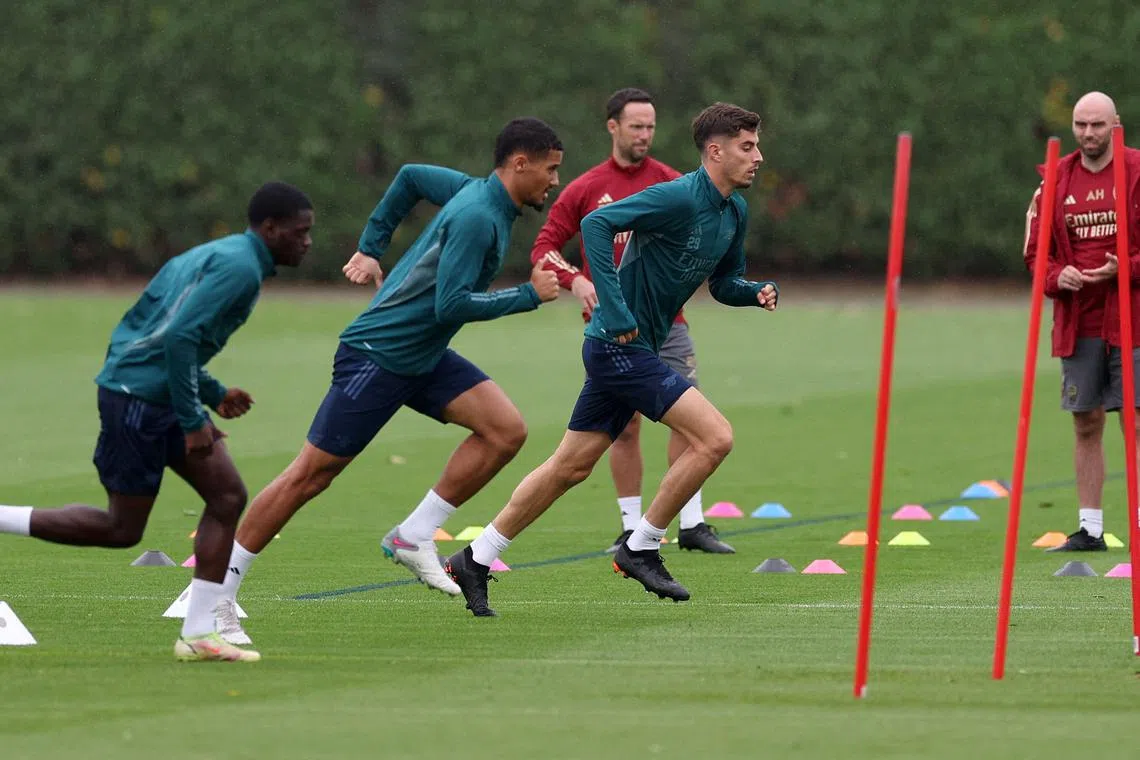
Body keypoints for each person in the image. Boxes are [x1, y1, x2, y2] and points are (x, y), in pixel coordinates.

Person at [205, 118, 563, 644]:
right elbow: (450, 305)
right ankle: (216, 593)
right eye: (550, 170)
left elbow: (411, 176)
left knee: (504, 430)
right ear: (519, 164)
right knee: (309, 476)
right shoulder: (477, 217)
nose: (554, 181)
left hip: (421, 356)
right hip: (378, 356)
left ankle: (413, 535)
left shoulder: (477, 193)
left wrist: (371, 245)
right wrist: (528, 295)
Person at [444, 103, 777, 617]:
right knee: (715, 438)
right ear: (715, 151)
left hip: (628, 349)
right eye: (747, 147)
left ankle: (474, 558)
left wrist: (752, 292)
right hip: (617, 347)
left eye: (756, 146)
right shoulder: (677, 196)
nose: (758, 157)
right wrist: (616, 307)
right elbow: (597, 223)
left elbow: (723, 282)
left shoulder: (734, 212)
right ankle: (641, 546)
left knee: (569, 466)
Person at [0, 183, 315, 661]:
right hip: (139, 402)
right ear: (270, 229)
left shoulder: (216, 254)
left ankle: (198, 635)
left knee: (227, 496)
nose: (307, 242)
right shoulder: (240, 269)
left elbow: (152, 333)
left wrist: (213, 394)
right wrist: (193, 420)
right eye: (300, 231)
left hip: (153, 392)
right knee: (121, 529)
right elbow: (179, 339)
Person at [531, 87, 733, 555]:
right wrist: (576, 280)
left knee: (692, 420)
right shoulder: (585, 188)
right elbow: (544, 248)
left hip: (668, 326)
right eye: (636, 126)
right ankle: (630, 526)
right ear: (613, 127)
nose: (644, 135)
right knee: (623, 428)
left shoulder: (672, 183)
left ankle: (692, 523)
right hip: (613, 332)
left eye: (651, 127)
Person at [1024, 91, 1140, 552]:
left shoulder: (1137, 172)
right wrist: (1058, 275)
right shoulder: (1054, 181)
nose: (1088, 133)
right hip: (1079, 320)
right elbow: (1035, 255)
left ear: (1116, 124)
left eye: (1097, 125)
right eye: (1080, 125)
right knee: (1085, 421)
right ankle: (1090, 529)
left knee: (1136, 420)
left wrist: (1126, 268)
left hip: (1132, 316)